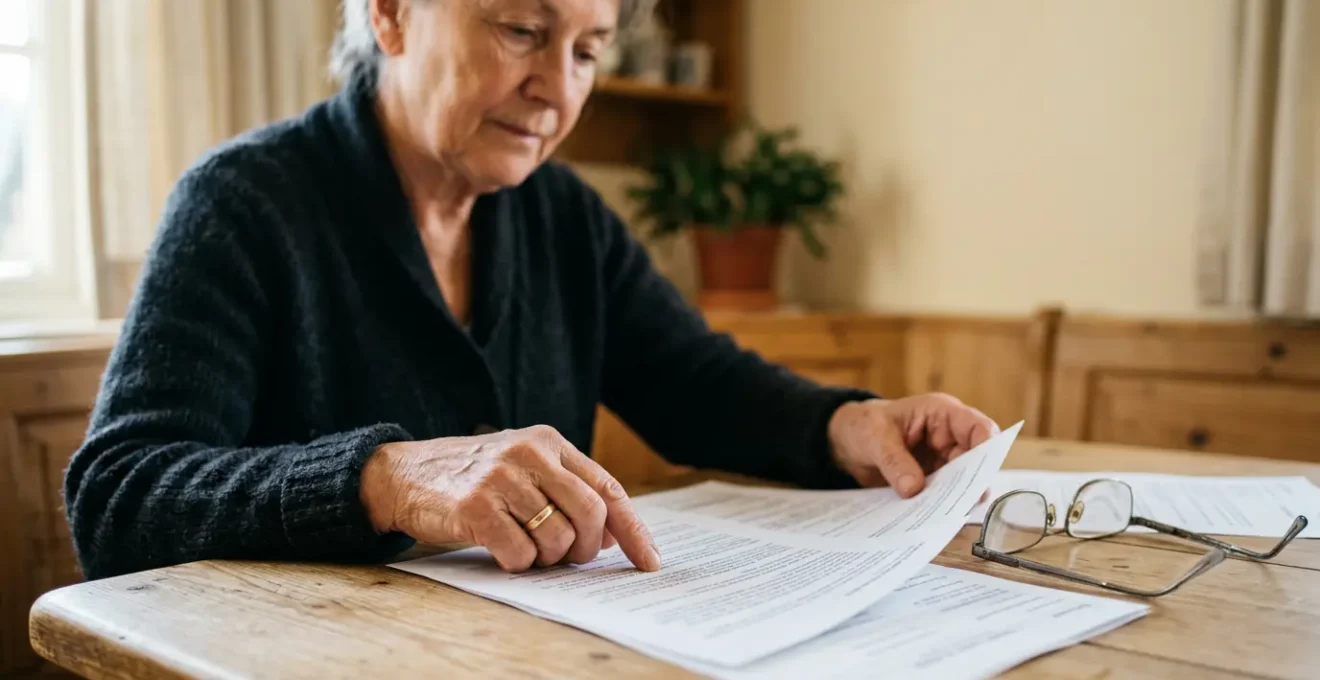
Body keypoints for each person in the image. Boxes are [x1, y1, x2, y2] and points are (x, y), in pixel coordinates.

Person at [64, 0, 1000, 581]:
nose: (557, 89)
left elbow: (692, 383)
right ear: (390, 13)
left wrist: (846, 425)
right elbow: (118, 497)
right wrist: (389, 479)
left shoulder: (564, 216)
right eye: (523, 30)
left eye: (589, 50)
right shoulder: (244, 202)